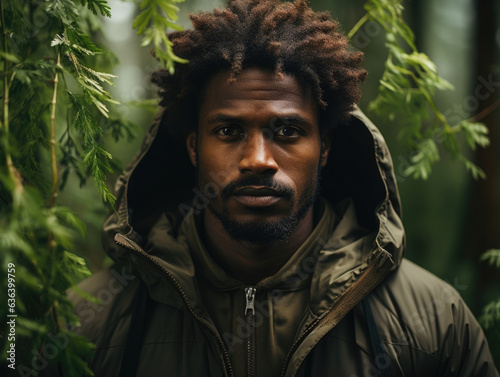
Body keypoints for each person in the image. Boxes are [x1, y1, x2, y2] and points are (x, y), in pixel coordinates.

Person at [69, 0, 499, 376]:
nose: (258, 159)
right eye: (228, 130)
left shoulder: (433, 323)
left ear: (324, 147)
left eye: (288, 130)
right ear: (194, 147)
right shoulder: (87, 324)